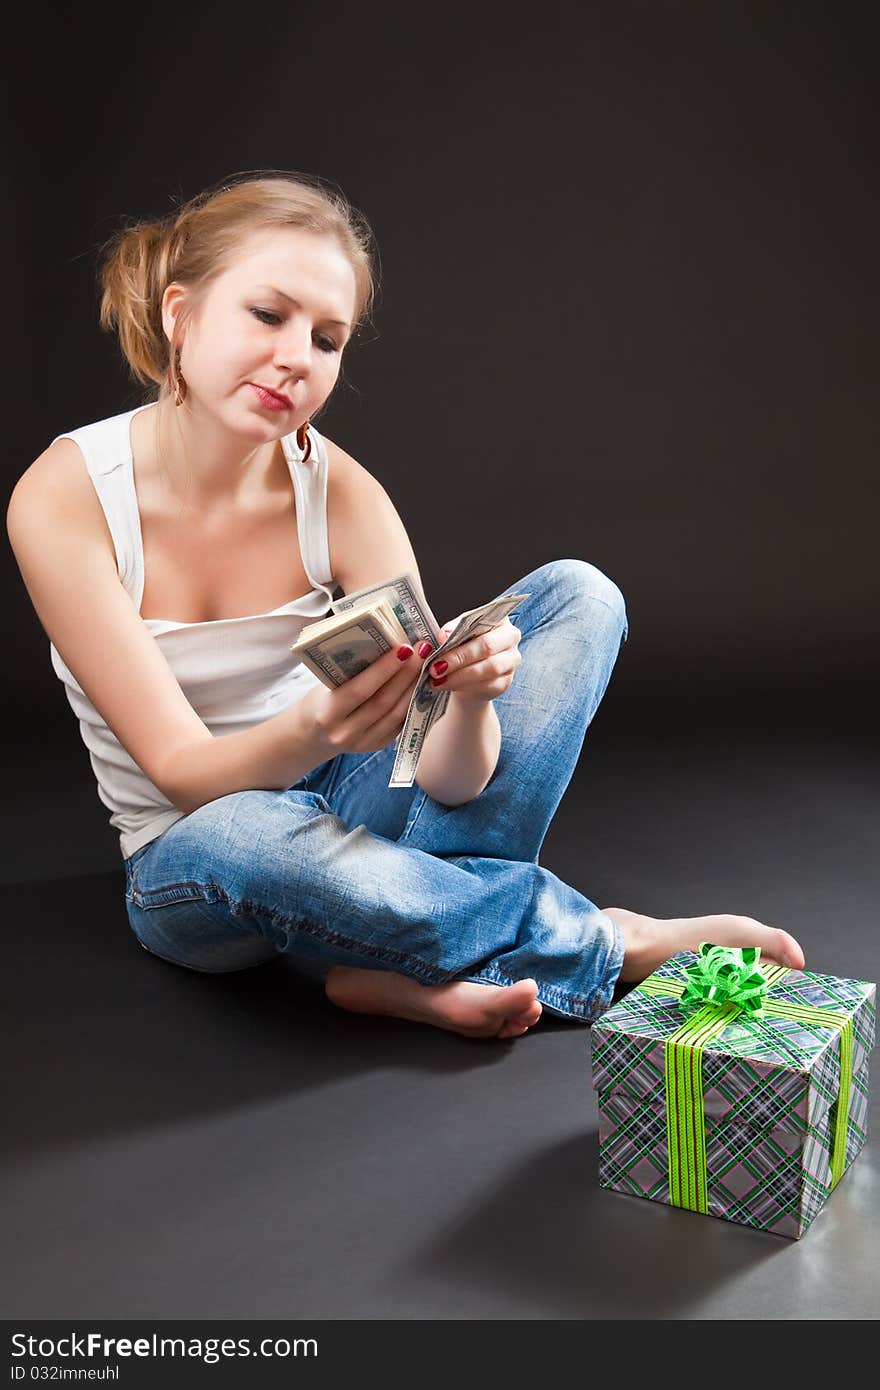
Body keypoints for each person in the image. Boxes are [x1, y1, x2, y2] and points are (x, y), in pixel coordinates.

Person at [6, 171, 805, 1040]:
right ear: (178, 312)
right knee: (250, 832)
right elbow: (178, 771)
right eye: (267, 315)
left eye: (327, 338)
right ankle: (606, 940)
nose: (295, 358)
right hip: (197, 857)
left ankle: (394, 962)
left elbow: (448, 782)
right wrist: (316, 730)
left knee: (582, 593)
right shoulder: (66, 495)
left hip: (351, 797)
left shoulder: (340, 492)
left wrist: (468, 697)